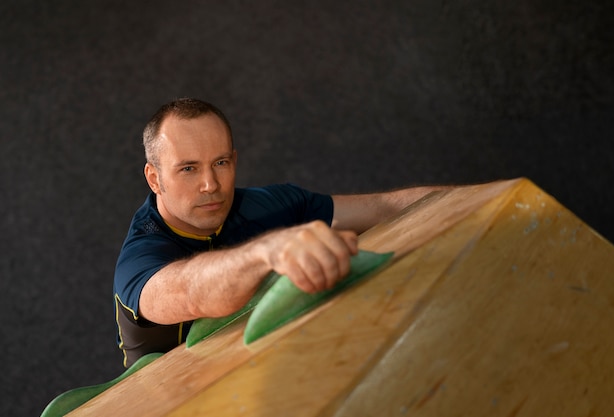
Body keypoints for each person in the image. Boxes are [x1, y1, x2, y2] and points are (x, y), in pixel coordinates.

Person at [113, 98, 450, 367]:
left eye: (221, 163)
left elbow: (384, 208)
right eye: (188, 169)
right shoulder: (140, 256)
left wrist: (494, 198)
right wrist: (267, 251)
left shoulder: (269, 204)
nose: (210, 185)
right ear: (154, 178)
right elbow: (191, 292)